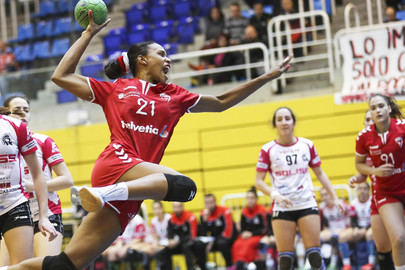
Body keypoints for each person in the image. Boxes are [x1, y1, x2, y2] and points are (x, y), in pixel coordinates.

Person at [1, 10, 291, 270]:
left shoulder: (176, 95)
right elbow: (61, 76)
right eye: (162, 54)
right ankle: (102, 194)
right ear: (142, 60)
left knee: (67, 264)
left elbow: (222, 101)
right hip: (115, 164)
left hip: (134, 187)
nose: (169, 60)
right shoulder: (117, 88)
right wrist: (88, 34)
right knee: (185, 186)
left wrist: (266, 77)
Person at [255, 107, 344, 270]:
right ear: (275, 124)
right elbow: (259, 182)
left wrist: (335, 197)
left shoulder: (307, 145)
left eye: (287, 118)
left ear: (294, 122)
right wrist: (276, 195)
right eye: (279, 119)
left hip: (306, 203)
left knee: (314, 255)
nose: (284, 122)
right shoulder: (268, 149)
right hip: (283, 206)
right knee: (285, 260)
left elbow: (320, 173)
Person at [0, 95, 73, 260]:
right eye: (17, 111)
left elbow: (67, 180)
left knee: (42, 263)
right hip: (11, 209)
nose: (23, 115)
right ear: (6, 113)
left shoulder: (43, 141)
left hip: (45, 210)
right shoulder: (5, 139)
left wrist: (30, 186)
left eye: (26, 110)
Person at [0, 107, 57, 266]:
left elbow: (37, 174)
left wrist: (44, 216)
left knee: (22, 266)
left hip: (14, 204)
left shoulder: (15, 126)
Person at [355, 94, 405, 270]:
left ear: (389, 108)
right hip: (385, 193)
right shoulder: (363, 137)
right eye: (373, 108)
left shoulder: (402, 128)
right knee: (395, 239)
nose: (377, 111)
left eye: (380, 106)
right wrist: (373, 172)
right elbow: (360, 165)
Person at [349, 110, 395, 270]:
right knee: (382, 245)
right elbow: (365, 171)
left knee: (398, 241)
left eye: (373, 118)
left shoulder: (392, 141)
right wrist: (357, 178)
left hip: (396, 196)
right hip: (378, 198)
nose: (371, 121)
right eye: (367, 119)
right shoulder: (364, 147)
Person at [158, 202, 202, 270]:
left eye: (178, 207)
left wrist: (178, 241)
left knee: (187, 247)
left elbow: (192, 236)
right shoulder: (171, 219)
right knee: (163, 251)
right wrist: (170, 241)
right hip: (178, 245)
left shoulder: (190, 217)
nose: (177, 209)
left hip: (189, 244)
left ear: (182, 207)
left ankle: (191, 268)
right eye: (175, 207)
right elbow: (170, 235)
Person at [231, 187, 267, 270]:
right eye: (248, 198)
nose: (250, 200)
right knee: (237, 244)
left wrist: (252, 234)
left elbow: (265, 228)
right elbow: (243, 228)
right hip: (246, 236)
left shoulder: (261, 210)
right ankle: (238, 263)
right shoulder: (244, 211)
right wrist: (243, 233)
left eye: (252, 198)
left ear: (256, 199)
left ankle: (245, 263)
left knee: (248, 244)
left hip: (259, 235)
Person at [198, 193, 235, 269]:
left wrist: (213, 241)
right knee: (198, 245)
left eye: (211, 202)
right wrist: (205, 220)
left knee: (222, 243)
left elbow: (228, 232)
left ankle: (230, 266)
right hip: (214, 239)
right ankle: (202, 267)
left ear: (215, 201)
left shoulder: (225, 211)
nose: (209, 205)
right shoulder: (203, 214)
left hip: (227, 237)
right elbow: (203, 234)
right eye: (207, 203)